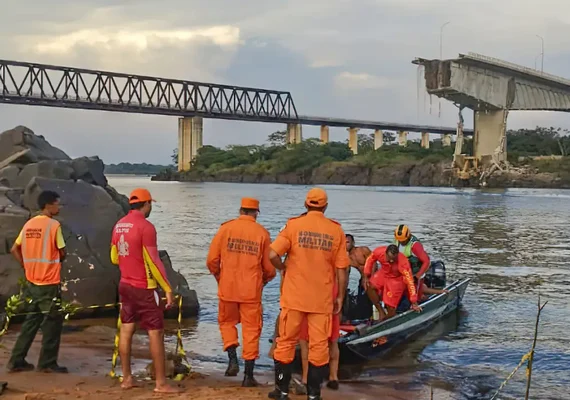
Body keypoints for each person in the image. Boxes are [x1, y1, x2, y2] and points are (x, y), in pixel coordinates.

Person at [269, 187, 350, 400]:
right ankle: (314, 395)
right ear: (325, 206)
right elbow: (342, 269)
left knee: (285, 342)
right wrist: (340, 296)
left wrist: (283, 268)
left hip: (294, 298)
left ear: (306, 204)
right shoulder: (336, 231)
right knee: (319, 347)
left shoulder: (293, 226)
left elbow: (271, 254)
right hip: (321, 300)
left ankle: (282, 391)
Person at [110, 188, 180, 394]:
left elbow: (114, 257)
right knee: (156, 333)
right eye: (151, 204)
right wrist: (167, 289)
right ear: (146, 204)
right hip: (145, 287)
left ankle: (127, 378)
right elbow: (154, 260)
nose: (151, 208)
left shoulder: (119, 225)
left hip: (125, 285)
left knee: (126, 330)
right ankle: (161, 383)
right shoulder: (146, 227)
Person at [206, 197, 276, 387]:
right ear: (256, 213)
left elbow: (212, 260)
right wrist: (264, 281)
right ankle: (248, 376)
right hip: (251, 292)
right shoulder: (262, 233)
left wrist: (220, 277)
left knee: (226, 323)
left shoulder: (225, 229)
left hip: (227, 288)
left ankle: (232, 360)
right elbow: (269, 269)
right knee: (251, 330)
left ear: (240, 210)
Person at [7, 190, 68, 373]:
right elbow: (62, 252)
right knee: (52, 322)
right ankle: (47, 363)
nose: (59, 207)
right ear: (48, 205)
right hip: (48, 282)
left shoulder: (29, 225)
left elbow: (14, 249)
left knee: (31, 321)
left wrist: (26, 266)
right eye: (57, 203)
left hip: (32, 281)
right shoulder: (53, 226)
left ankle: (16, 359)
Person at [363, 244, 422, 321]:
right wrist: (366, 275)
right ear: (385, 253)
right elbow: (370, 259)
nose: (391, 261)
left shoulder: (403, 263)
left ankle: (387, 319)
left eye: (393, 259)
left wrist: (414, 301)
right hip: (384, 273)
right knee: (369, 285)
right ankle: (381, 311)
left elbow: (410, 281)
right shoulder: (379, 251)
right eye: (389, 258)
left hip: (396, 279)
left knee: (390, 306)